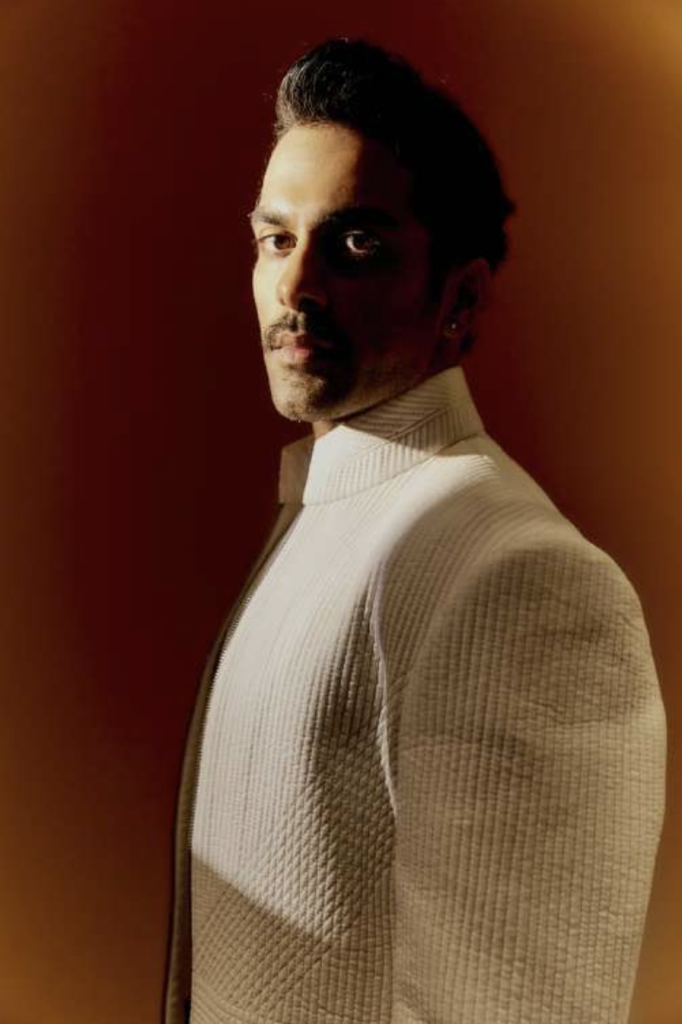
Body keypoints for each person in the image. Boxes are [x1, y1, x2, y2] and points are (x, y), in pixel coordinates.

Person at [162, 38, 666, 1024]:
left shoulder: (517, 572)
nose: (296, 289)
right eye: (276, 240)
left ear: (460, 298)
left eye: (357, 245)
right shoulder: (322, 522)